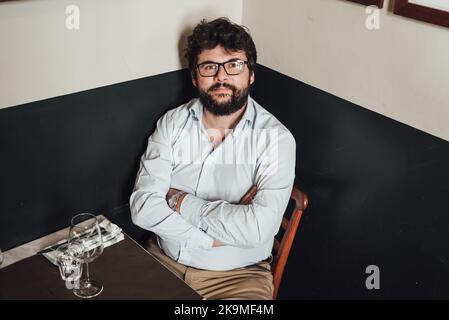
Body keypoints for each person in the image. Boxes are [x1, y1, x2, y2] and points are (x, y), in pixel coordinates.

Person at [130, 17, 296, 300]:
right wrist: (210, 239)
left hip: (238, 278)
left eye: (234, 65)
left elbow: (257, 229)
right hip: (162, 261)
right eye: (209, 67)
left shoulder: (276, 140)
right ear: (195, 77)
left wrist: (179, 200)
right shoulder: (172, 123)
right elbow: (143, 207)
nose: (222, 77)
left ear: (251, 74)